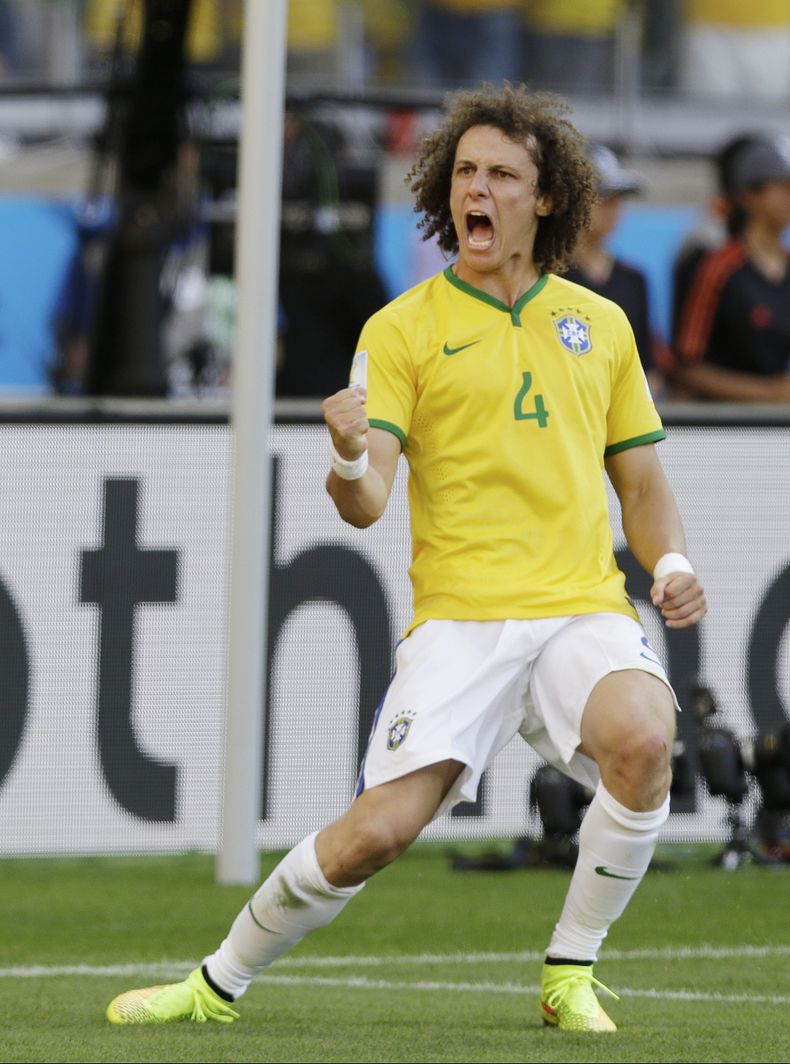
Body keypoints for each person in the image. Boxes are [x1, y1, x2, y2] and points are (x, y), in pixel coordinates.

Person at [105, 84, 707, 1034]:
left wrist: (668, 559)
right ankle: (213, 985)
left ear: (545, 198)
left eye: (502, 174)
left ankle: (569, 973)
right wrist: (346, 453)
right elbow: (366, 500)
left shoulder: (602, 325)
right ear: (443, 191)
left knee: (644, 740)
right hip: (461, 623)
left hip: (581, 608)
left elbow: (638, 483)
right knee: (373, 839)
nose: (480, 189)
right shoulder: (400, 330)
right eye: (465, 171)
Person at [673, 135, 790, 400]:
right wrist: (768, 393)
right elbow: (685, 367)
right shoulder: (717, 266)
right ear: (748, 194)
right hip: (722, 426)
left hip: (777, 427)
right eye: (782, 186)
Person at [564, 143, 666, 396]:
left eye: (617, 199)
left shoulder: (633, 278)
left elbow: (648, 365)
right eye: (601, 198)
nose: (613, 209)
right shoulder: (544, 277)